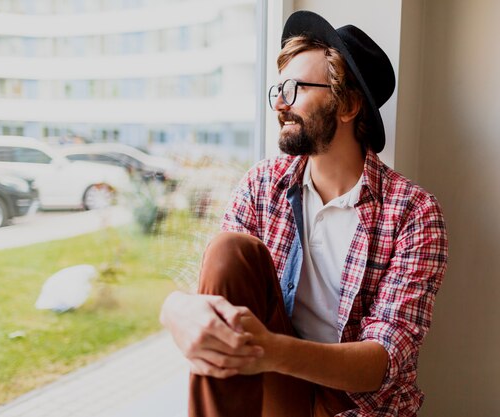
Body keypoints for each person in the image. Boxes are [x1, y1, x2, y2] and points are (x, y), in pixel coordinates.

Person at [160, 10, 448, 417]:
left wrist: (266, 350)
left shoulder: (413, 213)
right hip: (276, 383)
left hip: (355, 402)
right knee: (229, 250)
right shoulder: (263, 183)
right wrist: (174, 309)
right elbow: (215, 290)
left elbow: (382, 363)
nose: (279, 103)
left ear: (347, 104)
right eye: (277, 88)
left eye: (295, 88)